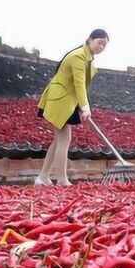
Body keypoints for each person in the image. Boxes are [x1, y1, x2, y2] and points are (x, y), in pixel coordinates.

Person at [35, 29, 109, 185]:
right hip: (59, 100)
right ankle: (61, 179)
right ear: (90, 39)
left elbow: (79, 85)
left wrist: (81, 106)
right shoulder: (78, 57)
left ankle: (43, 177)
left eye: (104, 44)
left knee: (59, 140)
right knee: (64, 138)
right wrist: (85, 106)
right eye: (99, 42)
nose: (101, 46)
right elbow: (79, 84)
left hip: (67, 100)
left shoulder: (87, 58)